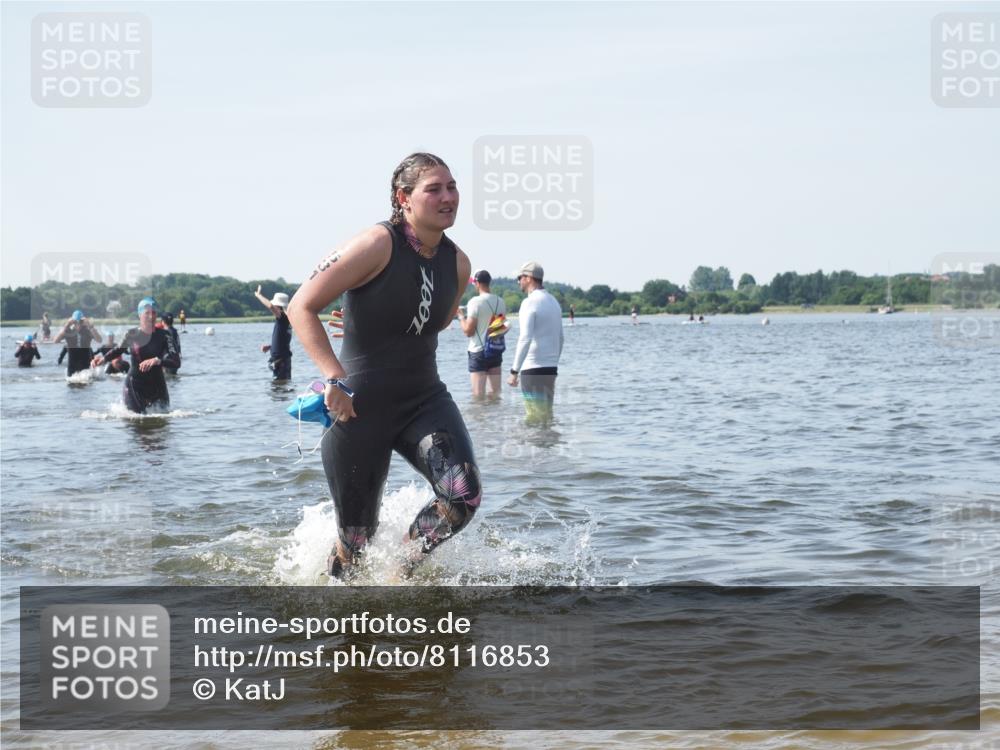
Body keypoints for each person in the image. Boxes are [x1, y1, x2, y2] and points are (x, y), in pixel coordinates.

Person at [287, 152, 480, 578]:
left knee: (461, 496)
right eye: (434, 189)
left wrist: (375, 317)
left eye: (452, 187)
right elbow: (300, 306)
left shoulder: (458, 263)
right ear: (403, 197)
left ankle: (399, 572)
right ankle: (338, 597)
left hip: (424, 400)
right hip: (358, 409)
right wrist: (334, 376)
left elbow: (438, 320)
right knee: (356, 544)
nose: (448, 197)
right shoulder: (376, 244)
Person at [91, 298, 180, 413]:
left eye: (154, 313)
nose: (151, 316)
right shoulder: (131, 334)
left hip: (158, 385)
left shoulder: (165, 335)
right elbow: (118, 349)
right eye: (147, 313)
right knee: (136, 419)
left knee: (164, 419)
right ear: (140, 315)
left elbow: (176, 361)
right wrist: (103, 359)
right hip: (135, 385)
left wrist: (158, 360)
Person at [507, 262, 564, 424]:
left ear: (529, 278)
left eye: (520, 277)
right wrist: (554, 361)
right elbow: (561, 338)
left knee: (534, 418)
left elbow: (525, 338)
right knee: (546, 416)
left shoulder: (529, 302)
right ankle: (549, 441)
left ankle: (535, 441)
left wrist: (514, 371)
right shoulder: (553, 302)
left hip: (532, 369)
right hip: (550, 368)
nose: (518, 281)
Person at [458, 269, 506, 399]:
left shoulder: (475, 302)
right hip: (495, 351)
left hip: (478, 352)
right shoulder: (500, 302)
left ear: (477, 283)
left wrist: (461, 317)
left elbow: (469, 331)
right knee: (495, 395)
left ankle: (481, 414)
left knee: (478, 398)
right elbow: (499, 329)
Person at [255, 287, 293, 380]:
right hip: (283, 359)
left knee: (279, 385)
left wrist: (259, 296)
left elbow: (270, 306)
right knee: (282, 384)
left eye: (275, 306)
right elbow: (283, 340)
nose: (272, 310)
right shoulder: (286, 320)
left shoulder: (282, 317)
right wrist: (271, 347)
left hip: (281, 361)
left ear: (278, 307)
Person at [52, 310, 102, 377]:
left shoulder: (88, 331)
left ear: (83, 322)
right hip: (72, 366)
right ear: (72, 322)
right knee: (72, 381)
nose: (78, 324)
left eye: (80, 322)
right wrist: (66, 325)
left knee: (87, 380)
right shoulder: (68, 331)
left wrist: (90, 326)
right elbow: (55, 341)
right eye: (75, 322)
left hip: (86, 364)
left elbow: (99, 340)